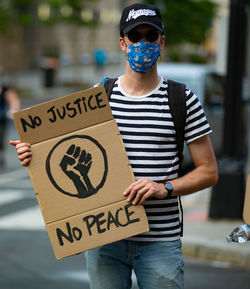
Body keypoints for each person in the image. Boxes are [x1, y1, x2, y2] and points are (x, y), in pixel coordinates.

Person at [10, 3, 218, 289]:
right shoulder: (98, 99)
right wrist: (31, 155)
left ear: (162, 41)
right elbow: (60, 151)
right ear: (123, 43)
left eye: (150, 35)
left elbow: (209, 171)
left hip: (160, 241)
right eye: (135, 36)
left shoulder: (182, 99)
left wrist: (164, 187)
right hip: (104, 237)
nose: (143, 43)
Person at [0, 70, 20, 166]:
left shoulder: (5, 89)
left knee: (1, 137)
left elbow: (13, 99)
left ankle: (1, 155)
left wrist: (13, 110)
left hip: (1, 118)